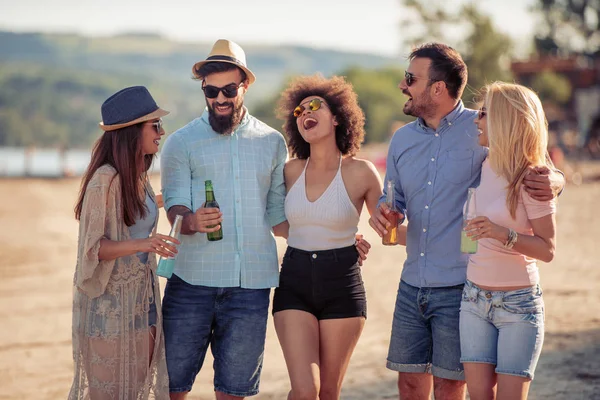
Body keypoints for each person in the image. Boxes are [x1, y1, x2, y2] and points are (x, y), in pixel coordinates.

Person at [368, 43, 564, 400]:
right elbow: (391, 199)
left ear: (438, 88)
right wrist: (384, 213)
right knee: (409, 384)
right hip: (412, 283)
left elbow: (526, 158)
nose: (402, 84)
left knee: (449, 386)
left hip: (463, 286)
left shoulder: (483, 130)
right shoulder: (401, 140)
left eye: (411, 78)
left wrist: (556, 179)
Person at [159, 39, 289, 400]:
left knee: (233, 392)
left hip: (251, 286)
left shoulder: (273, 142)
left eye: (229, 90)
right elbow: (174, 206)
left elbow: (278, 214)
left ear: (244, 86)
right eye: (211, 91)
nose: (219, 99)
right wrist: (191, 221)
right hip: (191, 282)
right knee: (173, 387)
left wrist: (336, 240)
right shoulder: (180, 143)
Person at [272, 74, 382, 400]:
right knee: (306, 390)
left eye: (316, 105)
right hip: (294, 279)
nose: (306, 111)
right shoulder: (290, 171)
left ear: (337, 117)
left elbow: (387, 225)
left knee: (329, 392)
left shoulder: (361, 172)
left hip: (342, 284)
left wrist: (359, 239)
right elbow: (276, 223)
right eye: (300, 110)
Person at [69, 86, 178, 399]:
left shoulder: (137, 177)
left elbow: (135, 213)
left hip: (143, 302)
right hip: (110, 306)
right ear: (132, 131)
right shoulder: (105, 178)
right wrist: (145, 245)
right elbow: (93, 249)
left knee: (134, 392)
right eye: (154, 125)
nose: (162, 131)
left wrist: (177, 199)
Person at [460, 82, 557, 400]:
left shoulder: (532, 178)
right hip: (473, 300)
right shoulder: (483, 165)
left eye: (484, 113)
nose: (477, 120)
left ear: (504, 120)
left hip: (519, 305)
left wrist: (503, 235)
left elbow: (547, 250)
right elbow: (470, 231)